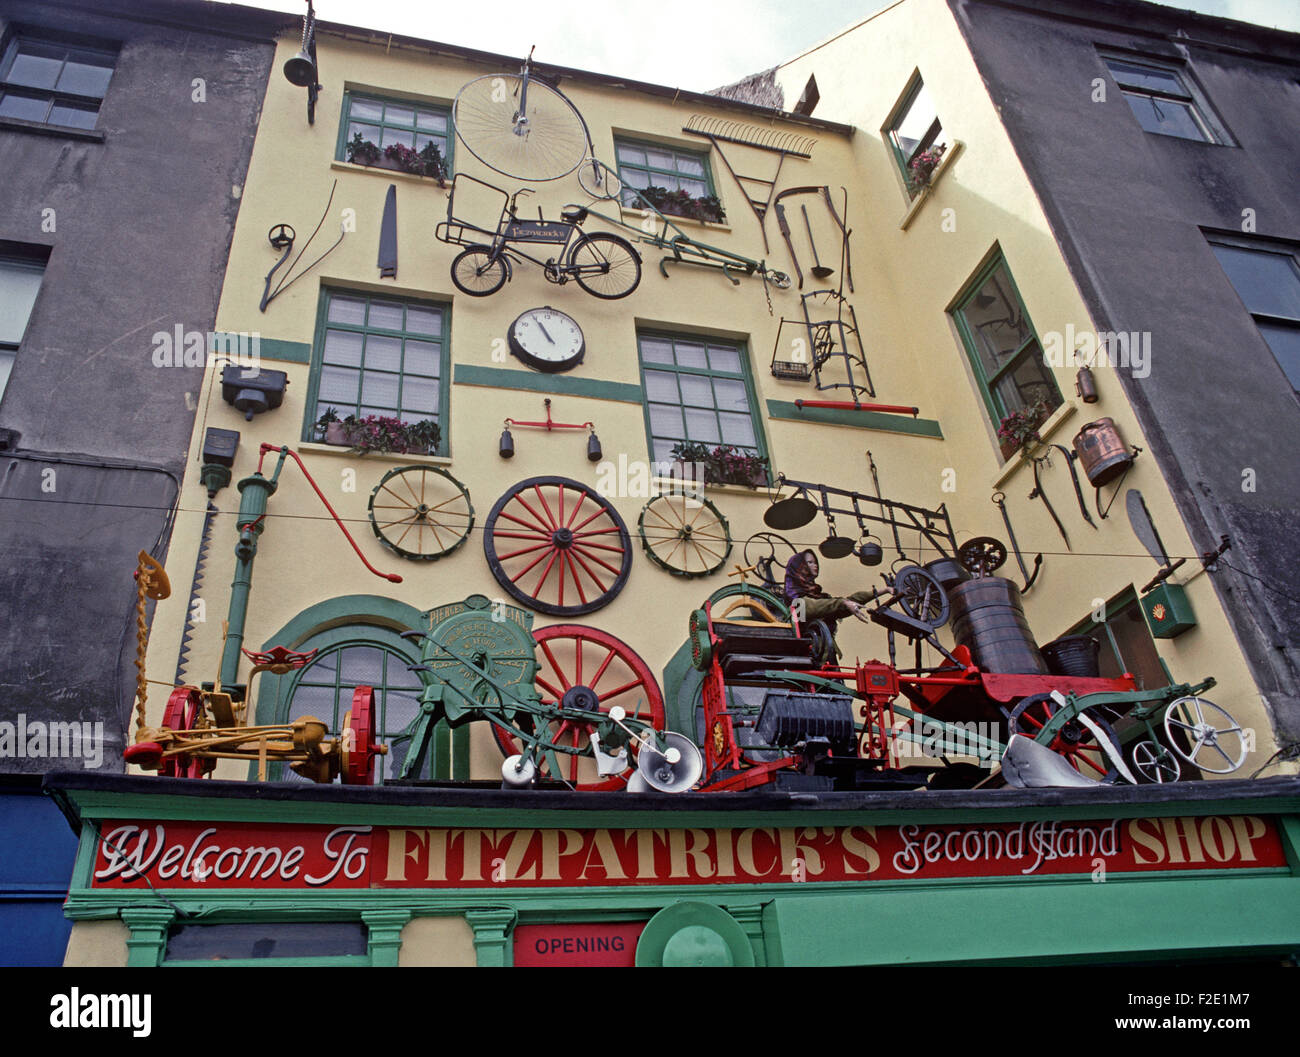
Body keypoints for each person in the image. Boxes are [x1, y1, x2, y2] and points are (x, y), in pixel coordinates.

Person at [782, 550, 878, 638]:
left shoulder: (819, 595)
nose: (816, 566)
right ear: (799, 567)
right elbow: (815, 607)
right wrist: (843, 603)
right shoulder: (794, 599)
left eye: (815, 562)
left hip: (825, 652)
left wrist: (878, 592)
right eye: (810, 562)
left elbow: (838, 607)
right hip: (806, 653)